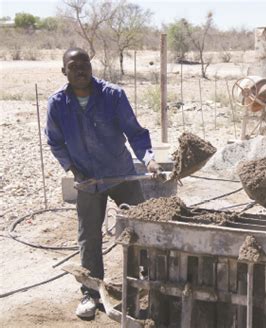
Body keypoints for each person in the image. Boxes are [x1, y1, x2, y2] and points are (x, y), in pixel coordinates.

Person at [45, 47, 161, 319]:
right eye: (74, 66)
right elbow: (55, 141)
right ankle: (91, 292)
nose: (81, 70)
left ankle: (152, 279)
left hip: (121, 173)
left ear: (91, 66)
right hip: (87, 181)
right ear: (65, 71)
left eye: (85, 64)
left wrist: (149, 160)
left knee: (140, 226)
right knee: (89, 235)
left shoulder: (113, 95)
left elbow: (135, 132)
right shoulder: (57, 103)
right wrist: (74, 170)